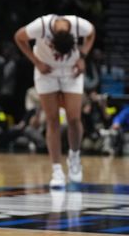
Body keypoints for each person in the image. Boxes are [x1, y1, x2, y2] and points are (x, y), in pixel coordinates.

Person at [14, 14, 96, 188]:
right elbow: (19, 37)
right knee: (52, 120)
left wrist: (82, 56)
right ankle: (56, 170)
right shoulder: (40, 26)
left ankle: (74, 157)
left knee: (74, 118)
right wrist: (36, 62)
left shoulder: (78, 24)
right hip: (46, 70)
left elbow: (91, 33)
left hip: (71, 70)